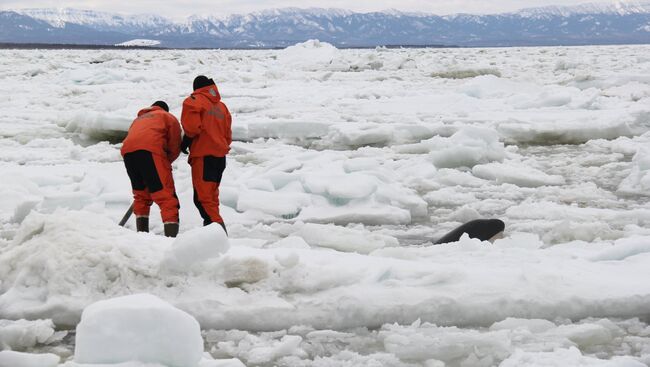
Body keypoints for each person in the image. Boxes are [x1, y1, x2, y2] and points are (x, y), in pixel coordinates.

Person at [121, 101, 182, 237]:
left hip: (128, 154)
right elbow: (174, 144)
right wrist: (165, 163)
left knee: (141, 195)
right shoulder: (167, 117)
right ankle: (170, 241)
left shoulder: (138, 120)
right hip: (150, 151)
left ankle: (142, 236)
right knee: (166, 197)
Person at [180, 75, 232, 234]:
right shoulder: (222, 107)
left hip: (204, 156)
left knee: (203, 200)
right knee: (211, 200)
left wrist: (185, 143)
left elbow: (192, 128)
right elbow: (228, 136)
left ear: (196, 88)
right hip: (219, 158)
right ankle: (210, 235)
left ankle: (219, 235)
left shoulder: (194, 100)